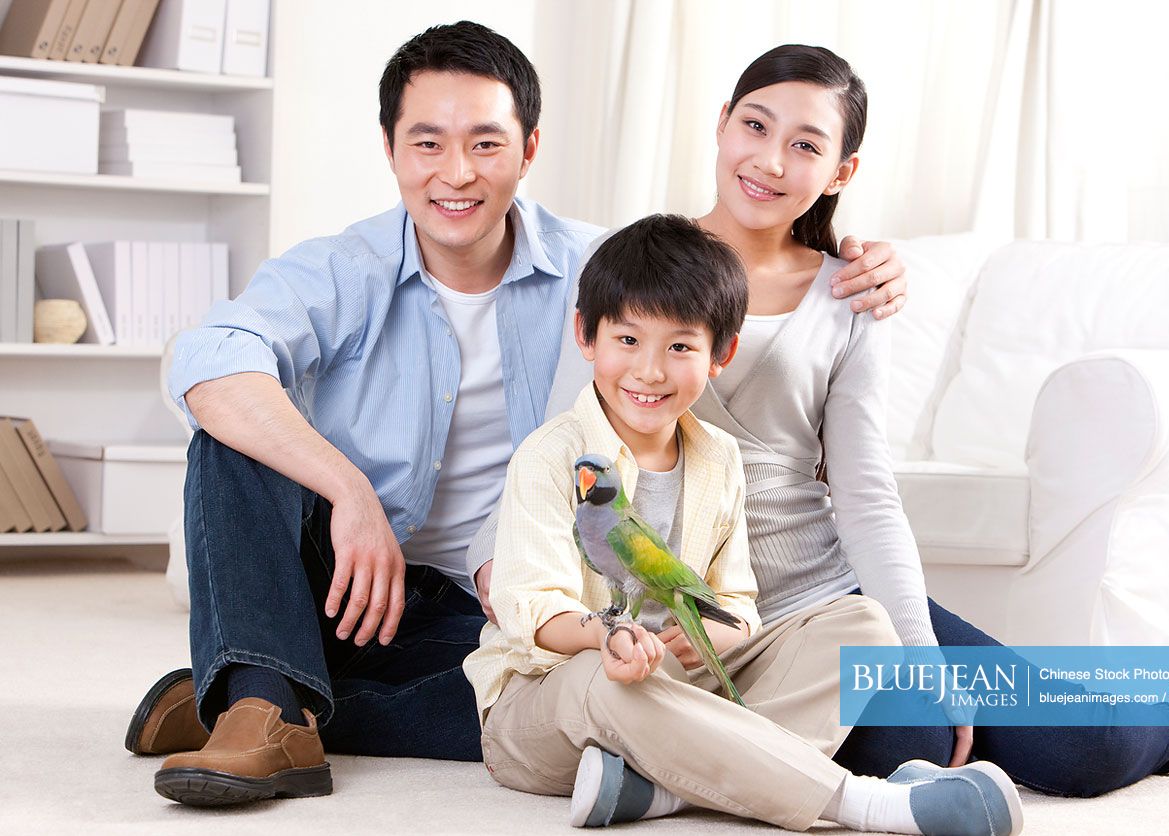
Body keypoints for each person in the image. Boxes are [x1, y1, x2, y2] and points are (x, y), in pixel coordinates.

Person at [124, 22, 907, 807]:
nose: (456, 174)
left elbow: (725, 313)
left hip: (538, 602)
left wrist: (866, 257)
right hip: (350, 578)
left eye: (486, 145)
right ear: (391, 149)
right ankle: (261, 704)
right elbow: (209, 360)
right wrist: (350, 494)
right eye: (426, 144)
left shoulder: (600, 271)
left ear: (530, 150)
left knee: (556, 707)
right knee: (227, 439)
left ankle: (248, 687)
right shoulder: (343, 269)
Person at [543, 42, 1169, 802]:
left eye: (806, 145)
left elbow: (865, 494)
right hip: (683, 619)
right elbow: (559, 447)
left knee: (1077, 749)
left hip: (822, 607)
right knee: (898, 747)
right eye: (754, 126)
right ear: (721, 125)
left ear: (840, 171)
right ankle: (687, 764)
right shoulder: (625, 267)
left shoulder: (849, 294)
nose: (771, 161)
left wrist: (918, 655)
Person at [470, 213, 1023, 834]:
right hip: (556, 697)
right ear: (586, 336)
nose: (650, 371)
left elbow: (737, 600)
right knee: (609, 681)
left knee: (865, 625)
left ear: (720, 355)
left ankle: (667, 789)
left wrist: (718, 634)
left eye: (680, 346)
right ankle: (866, 804)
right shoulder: (552, 458)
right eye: (628, 341)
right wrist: (609, 636)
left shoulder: (717, 457)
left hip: (683, 681)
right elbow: (532, 612)